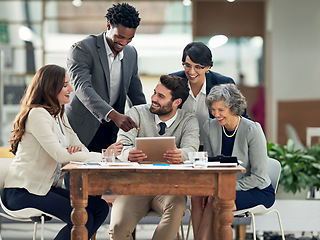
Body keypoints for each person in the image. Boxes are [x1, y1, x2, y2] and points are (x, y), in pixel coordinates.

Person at [3, 64, 122, 240]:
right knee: (82, 219)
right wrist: (103, 156)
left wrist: (70, 152)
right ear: (52, 88)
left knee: (100, 208)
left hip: (44, 188)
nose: (71, 89)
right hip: (24, 191)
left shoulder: (59, 115)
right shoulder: (38, 114)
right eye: (65, 85)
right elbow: (59, 155)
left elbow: (81, 149)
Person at [109, 75, 200, 240]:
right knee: (117, 230)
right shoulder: (136, 112)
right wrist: (128, 154)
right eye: (154, 93)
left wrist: (181, 154)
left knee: (178, 206)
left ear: (176, 102)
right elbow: (121, 144)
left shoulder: (188, 120)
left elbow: (191, 149)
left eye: (161, 96)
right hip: (135, 188)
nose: (153, 98)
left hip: (170, 188)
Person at [191, 84, 275, 240]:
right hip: (222, 187)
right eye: (213, 110)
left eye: (221, 110)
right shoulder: (210, 127)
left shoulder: (252, 130)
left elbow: (259, 177)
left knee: (215, 200)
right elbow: (211, 165)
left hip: (257, 190)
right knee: (197, 197)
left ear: (234, 108)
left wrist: (224, 188)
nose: (216, 114)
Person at [66, 3, 146, 153]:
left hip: (113, 130)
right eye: (120, 37)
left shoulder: (131, 53)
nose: (123, 43)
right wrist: (113, 115)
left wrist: (148, 119)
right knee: (78, 173)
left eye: (129, 39)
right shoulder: (82, 49)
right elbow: (82, 88)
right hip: (82, 128)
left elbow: (136, 94)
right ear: (108, 26)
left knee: (109, 173)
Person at [170, 41, 249, 149]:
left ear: (208, 67)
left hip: (214, 147)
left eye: (198, 67)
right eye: (187, 65)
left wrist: (254, 144)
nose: (192, 72)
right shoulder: (173, 81)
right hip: (180, 148)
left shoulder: (223, 83)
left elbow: (241, 116)